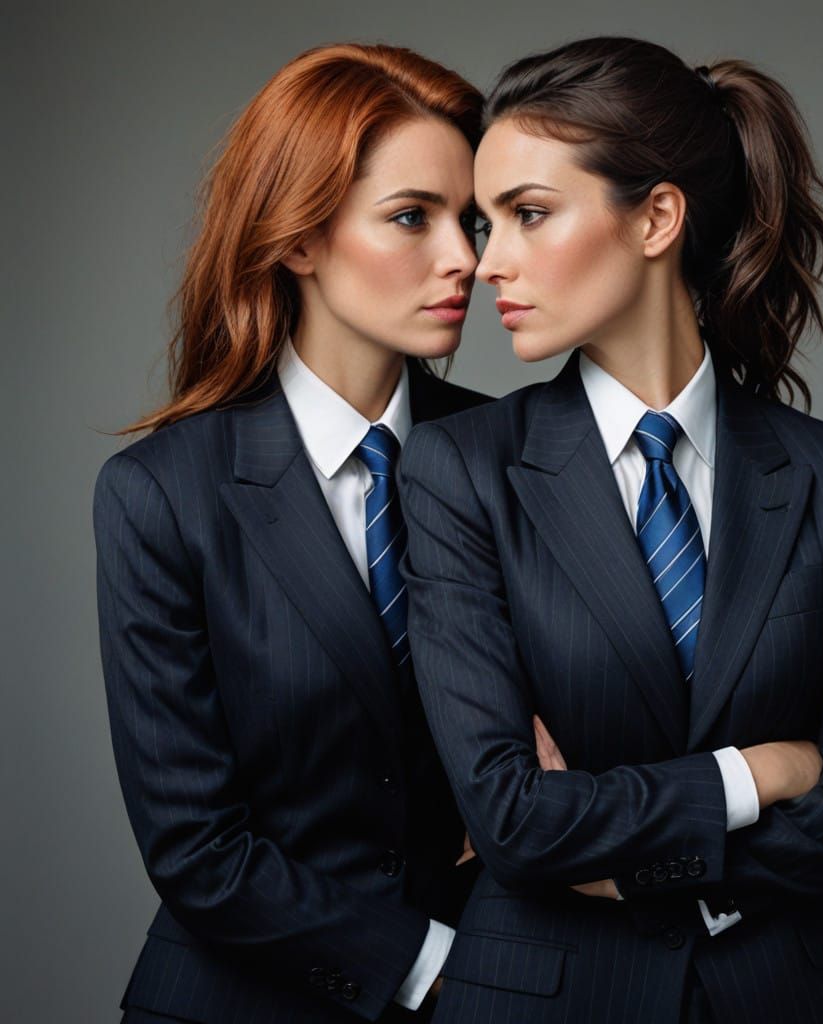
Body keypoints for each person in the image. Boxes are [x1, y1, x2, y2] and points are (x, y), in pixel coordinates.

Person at [398, 37, 823, 1023]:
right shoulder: (459, 468)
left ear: (658, 217)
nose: (486, 260)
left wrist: (639, 867)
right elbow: (512, 821)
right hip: (546, 998)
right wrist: (761, 769)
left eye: (529, 214)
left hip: (791, 994)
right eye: (482, 220)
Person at [93, 43, 489, 1024]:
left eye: (472, 220)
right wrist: (442, 969)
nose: (465, 259)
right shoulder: (163, 495)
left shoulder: (510, 459)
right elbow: (198, 848)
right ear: (300, 239)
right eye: (412, 217)